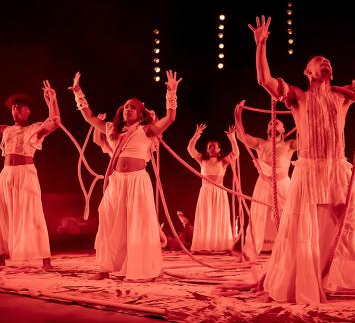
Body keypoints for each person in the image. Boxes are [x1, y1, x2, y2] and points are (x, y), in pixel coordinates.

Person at [248, 15, 355, 304]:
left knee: (351, 224)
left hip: (337, 168)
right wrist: (261, 45)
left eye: (328, 60)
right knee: (301, 228)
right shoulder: (298, 96)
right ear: (308, 71)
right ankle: (298, 280)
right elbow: (264, 80)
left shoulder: (343, 95)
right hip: (309, 168)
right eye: (319, 60)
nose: (325, 62)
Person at [70, 70, 181, 281]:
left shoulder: (146, 130)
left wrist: (171, 92)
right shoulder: (111, 129)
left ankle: (139, 269)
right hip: (117, 182)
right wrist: (78, 92)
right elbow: (89, 117)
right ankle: (106, 267)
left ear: (141, 114)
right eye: (126, 106)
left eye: (134, 107)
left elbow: (171, 117)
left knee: (138, 223)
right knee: (109, 220)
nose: (128, 109)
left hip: (138, 181)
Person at [0, 81, 60, 270]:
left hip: (26, 174)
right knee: (3, 214)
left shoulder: (34, 129)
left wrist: (53, 100)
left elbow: (55, 122)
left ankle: (45, 259)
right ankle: (1, 255)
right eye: (14, 107)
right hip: (6, 175)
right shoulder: (6, 130)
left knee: (33, 213)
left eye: (20, 106)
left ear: (28, 111)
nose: (16, 109)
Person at [234, 113, 296, 260]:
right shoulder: (260, 144)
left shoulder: (289, 145)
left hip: (282, 184)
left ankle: (289, 250)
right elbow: (241, 136)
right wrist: (238, 115)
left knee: (286, 216)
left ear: (283, 129)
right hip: (263, 184)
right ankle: (251, 251)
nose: (273, 123)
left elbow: (309, 142)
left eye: (277, 122)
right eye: (270, 123)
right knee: (258, 216)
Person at [187, 123, 239, 252]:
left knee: (218, 217)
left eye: (214, 147)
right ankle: (204, 245)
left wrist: (232, 138)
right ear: (207, 149)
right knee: (206, 217)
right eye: (209, 147)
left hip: (219, 191)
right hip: (206, 191)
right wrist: (196, 135)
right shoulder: (202, 160)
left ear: (219, 149)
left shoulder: (224, 161)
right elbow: (190, 149)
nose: (211, 149)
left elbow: (236, 153)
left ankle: (220, 245)